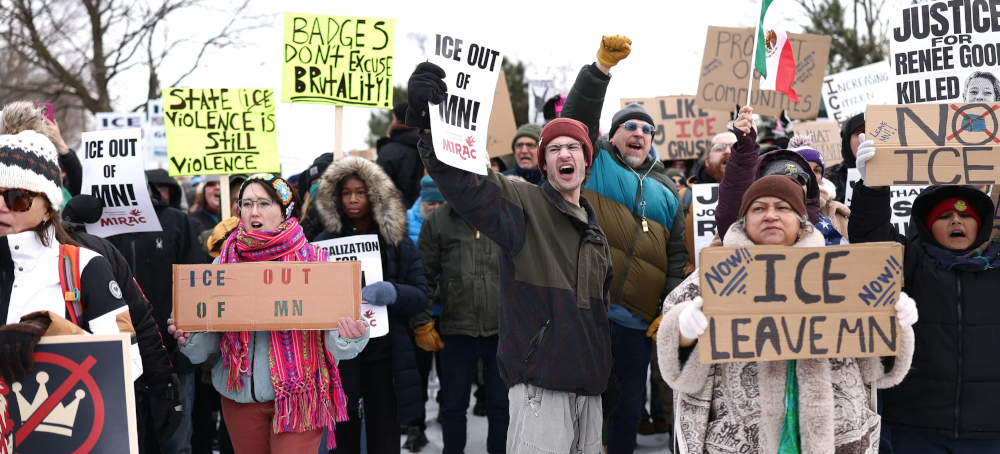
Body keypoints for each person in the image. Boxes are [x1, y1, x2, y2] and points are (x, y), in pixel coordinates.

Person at [407, 61, 616, 454]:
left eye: (573, 147)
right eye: (553, 149)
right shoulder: (524, 205)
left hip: (589, 391)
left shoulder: (594, 228)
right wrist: (431, 124)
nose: (564, 153)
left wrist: (605, 376)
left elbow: (596, 315)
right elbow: (467, 183)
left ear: (587, 161)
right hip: (541, 389)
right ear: (544, 164)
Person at [658, 175, 918, 453]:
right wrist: (684, 332)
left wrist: (894, 324)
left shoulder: (842, 276)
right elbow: (680, 377)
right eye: (759, 209)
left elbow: (879, 372)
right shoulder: (710, 280)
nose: (771, 215)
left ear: (800, 223)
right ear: (744, 221)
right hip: (742, 441)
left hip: (837, 435)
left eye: (782, 208)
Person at [168, 173, 369, 453]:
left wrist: (350, 336)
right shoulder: (221, 266)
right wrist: (190, 335)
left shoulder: (318, 264)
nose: (254, 212)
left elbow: (338, 344)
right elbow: (205, 347)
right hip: (239, 397)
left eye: (264, 203)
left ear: (285, 209)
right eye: (246, 203)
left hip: (300, 399)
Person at [560, 34, 686, 453]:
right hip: (589, 314)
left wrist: (665, 312)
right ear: (612, 136)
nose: (640, 133)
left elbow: (676, 261)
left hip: (636, 324)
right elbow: (575, 121)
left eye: (648, 130)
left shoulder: (668, 193)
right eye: (630, 126)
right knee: (585, 407)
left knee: (628, 408)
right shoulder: (593, 166)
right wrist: (600, 71)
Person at [849, 137, 1000, 452]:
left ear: (981, 225)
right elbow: (870, 238)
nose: (956, 220)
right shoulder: (911, 262)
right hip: (913, 424)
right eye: (944, 217)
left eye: (966, 216)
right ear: (930, 227)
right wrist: (872, 186)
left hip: (989, 427)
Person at [0, 101, 142, 382]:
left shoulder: (85, 267)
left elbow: (129, 364)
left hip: (58, 422)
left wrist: (54, 330)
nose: (2, 206)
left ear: (49, 207)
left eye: (17, 197)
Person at [312, 157, 429, 454]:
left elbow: (420, 296)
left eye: (360, 192)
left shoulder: (397, 242)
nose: (353, 199)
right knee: (344, 436)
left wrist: (393, 292)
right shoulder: (322, 242)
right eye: (346, 192)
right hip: (340, 355)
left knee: (384, 436)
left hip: (386, 354)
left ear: (374, 194)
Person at [107, 169, 204, 454]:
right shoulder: (99, 226)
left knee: (175, 444)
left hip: (171, 356)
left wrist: (187, 348)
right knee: (127, 445)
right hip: (120, 358)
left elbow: (196, 284)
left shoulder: (176, 221)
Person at [413, 189, 507, 454]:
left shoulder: (505, 214)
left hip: (501, 331)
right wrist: (421, 321)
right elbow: (424, 275)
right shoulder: (438, 219)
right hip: (456, 330)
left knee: (501, 405)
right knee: (453, 406)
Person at [790, 135, 851, 242]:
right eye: (804, 168)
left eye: (817, 170)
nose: (811, 175)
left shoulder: (838, 211)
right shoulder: (777, 207)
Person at [376, 102, 423, 209]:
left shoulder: (389, 150)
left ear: (395, 118)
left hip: (397, 214)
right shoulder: (434, 147)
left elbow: (379, 187)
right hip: (429, 211)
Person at [825, 113, 865, 203]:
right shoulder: (826, 178)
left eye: (874, 133)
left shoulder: (900, 178)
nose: (866, 139)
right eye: (861, 133)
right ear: (847, 140)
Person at [406, 175, 444, 245]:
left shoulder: (457, 222)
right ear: (422, 203)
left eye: (442, 203)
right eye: (431, 203)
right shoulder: (405, 221)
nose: (437, 208)